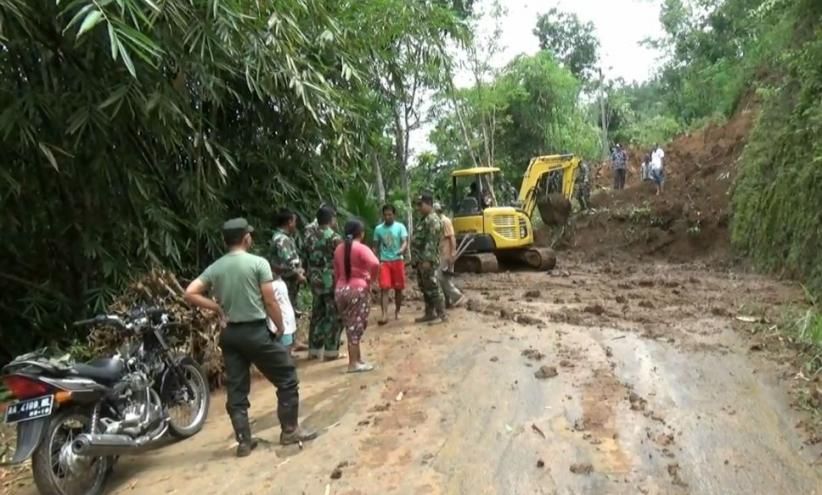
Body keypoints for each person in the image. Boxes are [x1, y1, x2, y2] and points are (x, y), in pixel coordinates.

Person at [184, 218, 316, 457]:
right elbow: (270, 300)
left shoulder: (216, 267)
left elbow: (190, 292)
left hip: (230, 334)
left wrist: (216, 308)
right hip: (255, 331)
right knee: (286, 376)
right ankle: (289, 430)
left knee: (236, 388)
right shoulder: (258, 263)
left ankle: (244, 441)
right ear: (246, 238)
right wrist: (279, 326)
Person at [334, 219, 380, 373]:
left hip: (341, 290)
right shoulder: (361, 248)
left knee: (350, 325)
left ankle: (357, 359)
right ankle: (353, 363)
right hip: (357, 289)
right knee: (356, 326)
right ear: (361, 233)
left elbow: (336, 272)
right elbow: (375, 264)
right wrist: (371, 280)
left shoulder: (339, 249)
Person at [303, 206, 343, 360]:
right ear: (332, 219)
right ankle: (331, 351)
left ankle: (314, 349)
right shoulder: (334, 238)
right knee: (333, 315)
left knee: (317, 314)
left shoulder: (309, 237)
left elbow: (305, 257)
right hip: (330, 280)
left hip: (314, 279)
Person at [412, 193, 446, 323]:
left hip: (427, 260)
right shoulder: (424, 219)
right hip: (420, 260)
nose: (418, 207)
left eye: (421, 204)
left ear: (428, 204)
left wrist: (427, 260)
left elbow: (431, 242)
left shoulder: (433, 220)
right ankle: (429, 313)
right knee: (425, 287)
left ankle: (442, 315)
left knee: (433, 287)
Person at [373, 205, 409, 325]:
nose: (387, 217)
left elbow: (404, 242)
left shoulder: (400, 227)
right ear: (382, 215)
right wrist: (374, 259)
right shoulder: (378, 229)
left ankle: (397, 311)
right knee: (384, 288)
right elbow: (375, 246)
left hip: (398, 260)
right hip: (384, 261)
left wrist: (402, 249)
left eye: (390, 215)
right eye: (385, 215)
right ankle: (384, 315)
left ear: (394, 215)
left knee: (398, 289)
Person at [270, 209, 305, 313]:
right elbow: (288, 261)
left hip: (287, 279)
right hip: (285, 280)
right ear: (289, 222)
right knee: (286, 309)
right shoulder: (282, 239)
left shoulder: (284, 237)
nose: (295, 224)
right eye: (294, 221)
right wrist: (298, 274)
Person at [433, 202, 466, 308]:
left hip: (446, 255)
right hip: (440, 254)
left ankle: (458, 296)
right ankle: (449, 301)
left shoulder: (445, 221)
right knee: (444, 279)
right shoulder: (437, 222)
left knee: (441, 278)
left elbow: (452, 238)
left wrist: (453, 253)